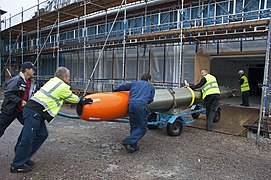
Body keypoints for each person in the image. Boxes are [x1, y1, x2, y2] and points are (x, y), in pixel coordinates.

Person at [10, 67, 92, 173]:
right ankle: (17, 165)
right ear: (64, 76)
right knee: (28, 137)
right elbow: (72, 98)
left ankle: (23, 156)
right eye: (68, 76)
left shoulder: (53, 81)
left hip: (35, 111)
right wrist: (82, 100)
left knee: (41, 134)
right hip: (34, 111)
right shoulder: (62, 86)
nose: (69, 78)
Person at [113, 73, 155, 153]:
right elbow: (150, 99)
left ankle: (133, 146)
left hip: (131, 105)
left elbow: (123, 87)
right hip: (141, 106)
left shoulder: (134, 83)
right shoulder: (150, 87)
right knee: (142, 128)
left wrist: (115, 90)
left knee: (134, 126)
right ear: (149, 80)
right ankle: (128, 142)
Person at [0, 61, 36, 138]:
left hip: (21, 110)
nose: (34, 71)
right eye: (32, 69)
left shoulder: (32, 82)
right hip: (10, 110)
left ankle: (20, 148)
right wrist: (20, 101)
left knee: (30, 126)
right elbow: (8, 93)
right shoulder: (17, 80)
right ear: (26, 70)